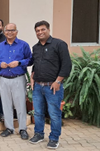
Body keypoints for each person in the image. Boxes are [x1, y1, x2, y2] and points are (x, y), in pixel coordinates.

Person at [29, 20, 72, 149]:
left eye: (43, 30)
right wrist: (32, 77)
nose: (40, 32)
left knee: (54, 114)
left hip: (53, 87)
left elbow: (66, 65)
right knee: (38, 113)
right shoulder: (36, 47)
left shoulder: (59, 44)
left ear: (48, 29)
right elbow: (36, 64)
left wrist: (58, 81)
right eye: (37, 31)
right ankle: (39, 134)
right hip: (37, 86)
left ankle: (54, 138)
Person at [0, 23, 32, 140]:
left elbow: (30, 59)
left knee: (20, 104)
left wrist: (19, 63)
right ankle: (9, 128)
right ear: (4, 32)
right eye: (7, 30)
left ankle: (22, 129)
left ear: (16, 32)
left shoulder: (23, 45)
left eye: (12, 30)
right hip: (4, 79)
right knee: (6, 105)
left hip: (18, 78)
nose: (9, 32)